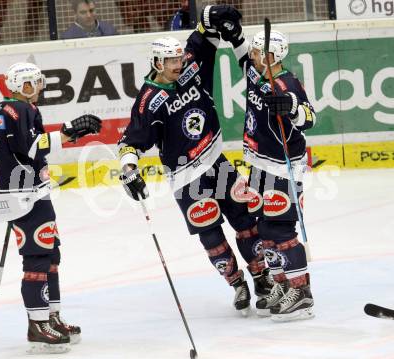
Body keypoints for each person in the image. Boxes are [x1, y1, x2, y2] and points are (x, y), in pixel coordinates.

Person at [117, 5, 274, 316]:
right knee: (211, 235)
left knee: (245, 221)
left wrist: (212, 14)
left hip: (217, 162)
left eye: (178, 59)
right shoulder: (149, 101)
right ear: (157, 63)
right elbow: (129, 143)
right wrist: (129, 171)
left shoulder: (190, 64)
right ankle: (237, 283)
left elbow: (206, 32)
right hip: (186, 178)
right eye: (171, 61)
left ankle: (262, 277)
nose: (178, 64)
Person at [0, 62, 102, 353]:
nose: (37, 88)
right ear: (18, 85)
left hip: (23, 192)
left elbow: (18, 150)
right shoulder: (20, 110)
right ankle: (38, 324)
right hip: (24, 195)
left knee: (50, 250)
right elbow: (31, 146)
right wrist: (69, 132)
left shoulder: (2, 110)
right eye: (31, 83)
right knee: (38, 255)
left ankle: (51, 316)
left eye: (38, 82)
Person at [213, 7, 316, 321]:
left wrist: (292, 107)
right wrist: (235, 35)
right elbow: (243, 55)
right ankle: (282, 283)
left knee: (280, 227)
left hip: (282, 168)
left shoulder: (286, 85)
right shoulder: (256, 72)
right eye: (256, 51)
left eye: (260, 52)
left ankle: (302, 292)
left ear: (273, 55)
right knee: (263, 228)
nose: (255, 55)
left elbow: (310, 118)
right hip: (259, 164)